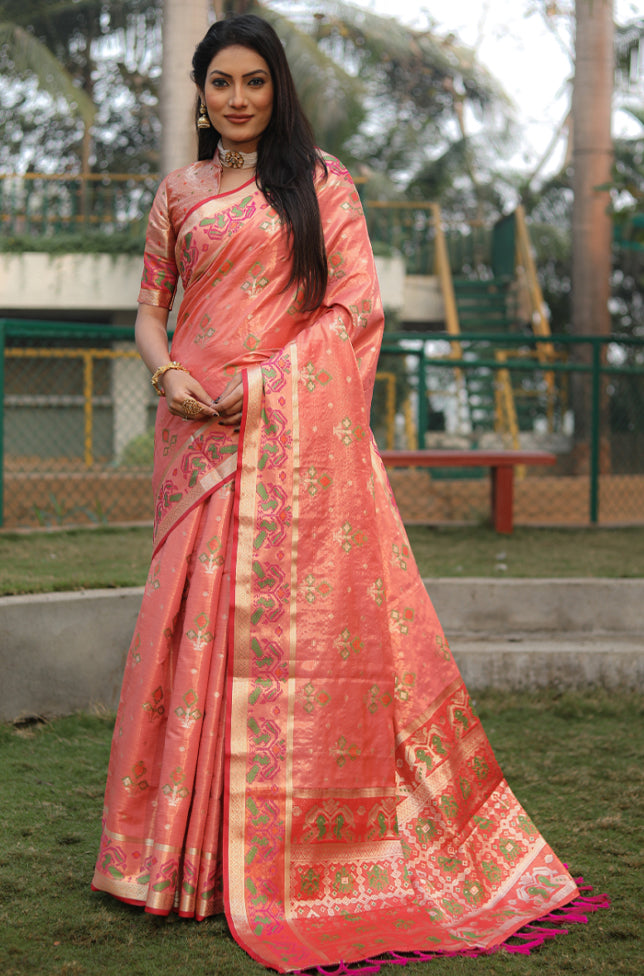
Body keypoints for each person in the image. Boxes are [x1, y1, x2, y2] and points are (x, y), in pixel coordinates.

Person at [92, 14, 602, 973]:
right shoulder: (180, 194)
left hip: (283, 437)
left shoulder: (321, 185)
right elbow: (149, 309)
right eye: (219, 84)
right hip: (193, 439)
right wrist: (166, 377)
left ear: (277, 89)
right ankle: (175, 863)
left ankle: (269, 858)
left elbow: (353, 310)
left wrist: (262, 388)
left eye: (253, 82)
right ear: (199, 94)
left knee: (276, 644)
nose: (236, 99)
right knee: (182, 631)